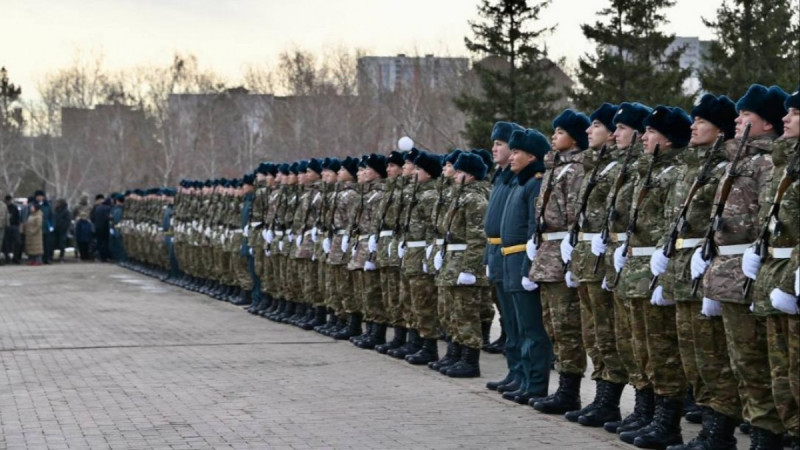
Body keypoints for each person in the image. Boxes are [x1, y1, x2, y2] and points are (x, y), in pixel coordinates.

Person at [692, 84, 789, 448]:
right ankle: (748, 431)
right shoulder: (739, 161)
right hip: (727, 271)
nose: (737, 119)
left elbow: (768, 221)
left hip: (753, 274)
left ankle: (767, 436)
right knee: (737, 361)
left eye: (745, 115)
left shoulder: (766, 163)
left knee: (757, 362)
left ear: (766, 124)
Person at [613, 105, 692, 448]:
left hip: (656, 268)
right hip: (636, 267)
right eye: (643, 132)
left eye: (651, 133)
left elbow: (669, 224)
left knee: (662, 349)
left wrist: (664, 264)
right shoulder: (649, 171)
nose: (643, 138)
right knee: (640, 347)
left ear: (670, 139)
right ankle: (647, 411)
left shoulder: (675, 172)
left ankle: (666, 421)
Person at [742, 87, 799, 450]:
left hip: (792, 276)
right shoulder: (785, 164)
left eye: (794, 113)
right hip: (775, 274)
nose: (785, 119)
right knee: (778, 369)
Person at [529, 109, 590, 415]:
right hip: (547, 252)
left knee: (567, 327)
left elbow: (574, 214)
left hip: (562, 252)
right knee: (553, 324)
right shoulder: (555, 168)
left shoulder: (576, 169)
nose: (554, 137)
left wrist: (571, 249)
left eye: (560, 132)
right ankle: (563, 387)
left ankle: (570, 391)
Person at [499, 128, 554, 405]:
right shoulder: (520, 183)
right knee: (519, 329)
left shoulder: (534, 182)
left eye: (517, 152)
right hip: (510, 261)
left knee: (533, 330)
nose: (511, 157)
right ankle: (522, 379)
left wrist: (528, 268)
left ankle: (535, 384)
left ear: (532, 155)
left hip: (523, 261)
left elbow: (534, 229)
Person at [433, 151, 490, 377]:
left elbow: (477, 238)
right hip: (452, 260)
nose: (454, 176)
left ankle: (470, 360)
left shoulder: (475, 199)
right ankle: (455, 354)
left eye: (459, 172)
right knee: (452, 312)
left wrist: (470, 269)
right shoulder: (459, 197)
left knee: (466, 313)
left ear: (471, 175)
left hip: (464, 261)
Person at [3, 195, 21, 264]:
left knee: (18, 242)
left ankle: (15, 258)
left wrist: (17, 225)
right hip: (6, 227)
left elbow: (18, 217)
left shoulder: (14, 207)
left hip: (14, 226)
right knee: (6, 244)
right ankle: (7, 258)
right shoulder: (4, 207)